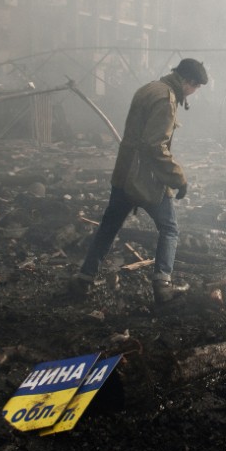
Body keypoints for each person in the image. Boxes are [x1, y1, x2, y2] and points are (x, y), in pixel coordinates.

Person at [71, 58, 208, 305]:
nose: (194, 92)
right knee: (169, 228)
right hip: (145, 178)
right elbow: (154, 145)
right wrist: (178, 178)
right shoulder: (166, 99)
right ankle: (163, 285)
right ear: (188, 81)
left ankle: (84, 278)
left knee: (109, 226)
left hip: (124, 174)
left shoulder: (149, 88)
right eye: (195, 87)